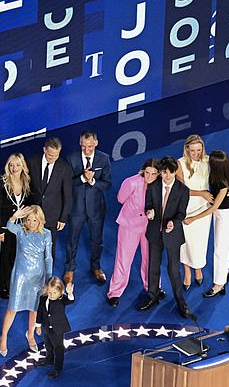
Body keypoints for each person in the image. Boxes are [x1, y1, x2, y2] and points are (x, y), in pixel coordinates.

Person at [138, 157, 191, 318]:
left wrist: (174, 223)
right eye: (164, 172)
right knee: (153, 267)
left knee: (174, 269)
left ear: (175, 172)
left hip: (172, 234)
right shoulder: (153, 186)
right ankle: (152, 297)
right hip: (155, 232)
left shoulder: (183, 190)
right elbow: (148, 205)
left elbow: (181, 213)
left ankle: (181, 302)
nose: (167, 176)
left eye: (170, 173)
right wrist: (149, 212)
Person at [0, 205, 53, 357]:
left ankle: (30, 334)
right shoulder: (21, 230)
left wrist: (48, 279)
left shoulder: (47, 234)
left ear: (40, 220)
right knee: (12, 309)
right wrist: (15, 216)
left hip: (38, 277)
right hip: (20, 276)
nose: (31, 223)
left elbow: (48, 258)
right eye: (28, 220)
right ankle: (3, 337)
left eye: (34, 220)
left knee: (34, 309)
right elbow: (9, 226)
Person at [106, 159, 160, 307]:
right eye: (147, 173)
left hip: (150, 227)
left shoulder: (160, 185)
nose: (149, 177)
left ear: (158, 174)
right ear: (143, 170)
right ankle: (115, 292)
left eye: (153, 174)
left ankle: (153, 287)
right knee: (123, 259)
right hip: (129, 225)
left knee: (151, 258)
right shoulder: (131, 182)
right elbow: (120, 198)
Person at [184, 150, 229, 298]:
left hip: (225, 216)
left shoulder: (223, 185)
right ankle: (225, 271)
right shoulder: (218, 173)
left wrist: (192, 218)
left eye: (211, 161)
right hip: (219, 212)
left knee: (220, 249)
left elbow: (214, 208)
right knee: (222, 247)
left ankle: (219, 284)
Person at [64, 131, 112, 284]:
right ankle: (70, 269)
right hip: (76, 208)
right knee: (72, 240)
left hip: (96, 208)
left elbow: (107, 184)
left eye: (90, 146)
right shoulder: (71, 158)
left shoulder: (103, 158)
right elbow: (67, 184)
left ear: (96, 143)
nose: (86, 150)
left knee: (96, 240)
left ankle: (96, 267)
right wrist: (83, 178)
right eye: (83, 146)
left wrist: (92, 182)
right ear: (80, 144)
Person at [0, 153, 32, 300]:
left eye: (17, 165)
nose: (14, 168)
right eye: (11, 165)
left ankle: (13, 285)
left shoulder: (27, 182)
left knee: (16, 257)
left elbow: (27, 206)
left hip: (20, 228)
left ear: (22, 166)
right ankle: (1, 287)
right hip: (5, 227)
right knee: (3, 258)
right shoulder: (0, 183)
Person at [176, 134, 213, 290]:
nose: (196, 154)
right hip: (186, 207)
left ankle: (197, 268)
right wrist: (202, 193)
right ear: (187, 149)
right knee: (186, 242)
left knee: (200, 241)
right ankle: (187, 272)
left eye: (199, 150)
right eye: (193, 151)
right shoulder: (180, 164)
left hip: (204, 208)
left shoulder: (207, 161)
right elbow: (181, 190)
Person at [28, 137, 72, 260]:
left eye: (56, 155)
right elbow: (27, 187)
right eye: (50, 155)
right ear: (44, 150)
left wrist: (63, 218)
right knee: (30, 246)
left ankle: (47, 277)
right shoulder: (32, 161)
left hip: (52, 216)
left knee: (49, 249)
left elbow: (67, 195)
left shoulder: (64, 167)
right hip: (33, 215)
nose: (53, 158)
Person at [35, 276, 75, 380]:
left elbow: (70, 301)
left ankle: (58, 367)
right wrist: (38, 325)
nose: (52, 295)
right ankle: (49, 359)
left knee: (58, 348)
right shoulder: (43, 299)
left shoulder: (62, 300)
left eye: (55, 293)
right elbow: (40, 312)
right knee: (48, 344)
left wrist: (70, 293)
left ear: (61, 292)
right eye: (50, 293)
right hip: (47, 327)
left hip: (58, 329)